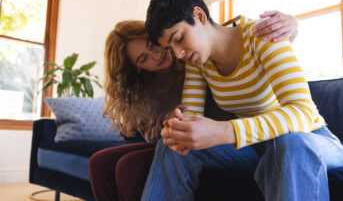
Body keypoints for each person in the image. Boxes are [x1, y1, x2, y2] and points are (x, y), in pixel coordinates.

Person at [141, 0, 343, 201]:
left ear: (199, 16)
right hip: (256, 148)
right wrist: (181, 126)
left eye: (179, 37)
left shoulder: (261, 35)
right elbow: (192, 117)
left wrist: (225, 130)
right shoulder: (197, 60)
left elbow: (303, 113)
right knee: (173, 143)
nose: (179, 53)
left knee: (290, 144)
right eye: (171, 48)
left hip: (309, 140)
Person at [88, 13, 299, 201]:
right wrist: (167, 121)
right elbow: (149, 131)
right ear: (136, 67)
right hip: (175, 136)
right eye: (144, 58)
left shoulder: (192, 51)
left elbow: (226, 35)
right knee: (99, 162)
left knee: (128, 166)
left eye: (154, 46)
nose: (157, 56)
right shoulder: (143, 87)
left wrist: (292, 23)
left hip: (220, 133)